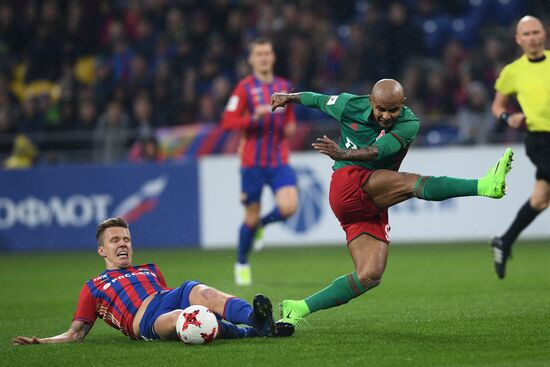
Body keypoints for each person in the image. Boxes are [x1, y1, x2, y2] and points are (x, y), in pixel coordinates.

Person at [270, 79, 513, 326]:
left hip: (369, 201)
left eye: (393, 110)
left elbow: (378, 151)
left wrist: (343, 152)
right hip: (347, 183)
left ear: (402, 105)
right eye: (381, 109)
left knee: (370, 275)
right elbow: (318, 99)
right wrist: (289, 97)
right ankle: (484, 186)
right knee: (411, 183)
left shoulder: (409, 123)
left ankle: (298, 308)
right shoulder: (348, 104)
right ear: (370, 101)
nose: (386, 116)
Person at [13, 217, 293, 345]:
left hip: (170, 295)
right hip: (145, 320)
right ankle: (249, 333)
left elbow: (166, 290)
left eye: (126, 239)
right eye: (115, 240)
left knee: (199, 291)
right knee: (186, 319)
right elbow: (75, 334)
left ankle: (257, 321)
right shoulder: (94, 287)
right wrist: (43, 342)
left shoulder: (150, 269)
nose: (123, 244)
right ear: (102, 250)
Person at [221, 37, 298, 286]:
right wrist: (253, 118)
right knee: (249, 217)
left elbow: (290, 119)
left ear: (273, 57)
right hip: (252, 163)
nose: (264, 57)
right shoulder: (244, 88)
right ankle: (242, 262)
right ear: (251, 60)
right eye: (259, 54)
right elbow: (228, 121)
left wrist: (290, 126)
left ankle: (263, 225)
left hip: (278, 160)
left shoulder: (285, 86)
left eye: (267, 53)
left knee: (288, 207)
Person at [489, 15, 550, 279]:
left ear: (544, 33)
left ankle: (504, 240)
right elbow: (497, 107)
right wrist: (508, 117)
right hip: (540, 139)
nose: (533, 37)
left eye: (536, 32)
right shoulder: (512, 71)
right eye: (527, 34)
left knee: (540, 198)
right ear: (518, 39)